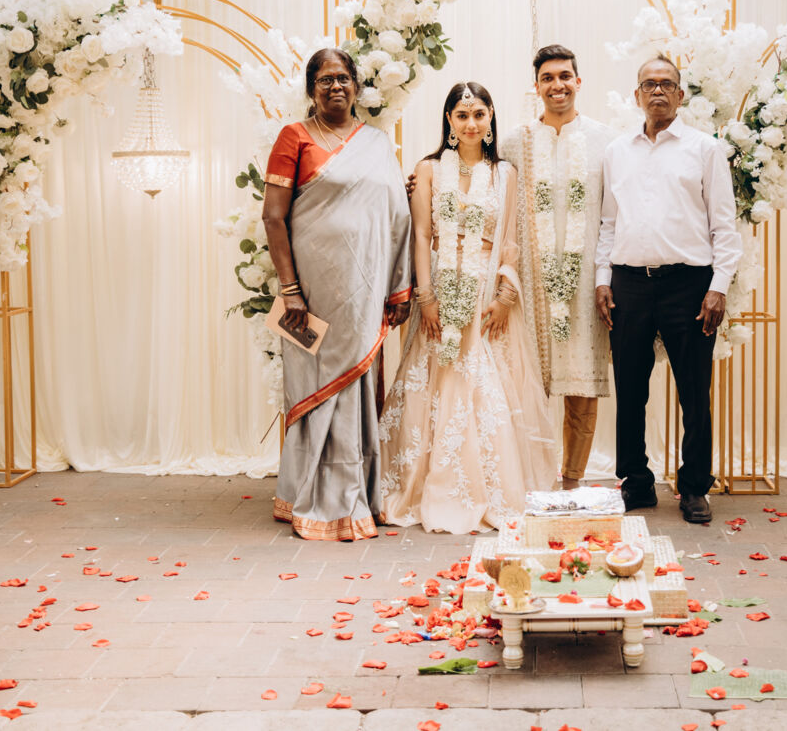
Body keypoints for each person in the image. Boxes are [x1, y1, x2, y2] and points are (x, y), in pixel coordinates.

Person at [379, 82, 558, 534]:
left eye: (479, 114)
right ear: (449, 121)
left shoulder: (505, 174)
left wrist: (505, 296)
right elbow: (422, 235)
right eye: (462, 115)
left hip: (485, 293)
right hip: (440, 287)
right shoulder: (428, 169)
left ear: (491, 117)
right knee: (436, 379)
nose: (471, 123)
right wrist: (426, 297)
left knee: (484, 385)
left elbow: (511, 239)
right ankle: (424, 484)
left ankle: (486, 487)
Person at [262, 47, 413, 541]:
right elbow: (273, 217)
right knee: (314, 382)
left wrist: (400, 284)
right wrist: (290, 292)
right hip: (311, 291)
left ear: (356, 86)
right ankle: (311, 493)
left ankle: (355, 493)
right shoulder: (294, 137)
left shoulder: (376, 142)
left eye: (343, 78)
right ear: (312, 89)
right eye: (325, 79)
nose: (335, 87)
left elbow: (395, 214)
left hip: (364, 290)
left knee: (356, 383)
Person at [595, 56, 741, 524]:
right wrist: (603, 279)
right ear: (637, 95)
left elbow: (724, 225)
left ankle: (694, 487)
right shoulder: (617, 151)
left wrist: (718, 287)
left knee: (694, 392)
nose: (657, 91)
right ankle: (636, 483)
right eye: (648, 84)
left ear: (680, 95)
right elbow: (608, 222)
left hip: (689, 285)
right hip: (629, 283)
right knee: (630, 390)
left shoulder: (705, 149)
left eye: (666, 84)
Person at [500, 45, 616, 490]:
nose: (557, 85)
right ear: (536, 87)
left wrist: (606, 278)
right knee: (526, 383)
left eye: (565, 76)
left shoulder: (606, 141)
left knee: (582, 387)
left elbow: (616, 212)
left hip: (586, 281)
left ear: (578, 82)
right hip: (530, 283)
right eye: (548, 78)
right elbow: (479, 175)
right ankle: (530, 478)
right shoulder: (515, 142)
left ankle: (572, 482)